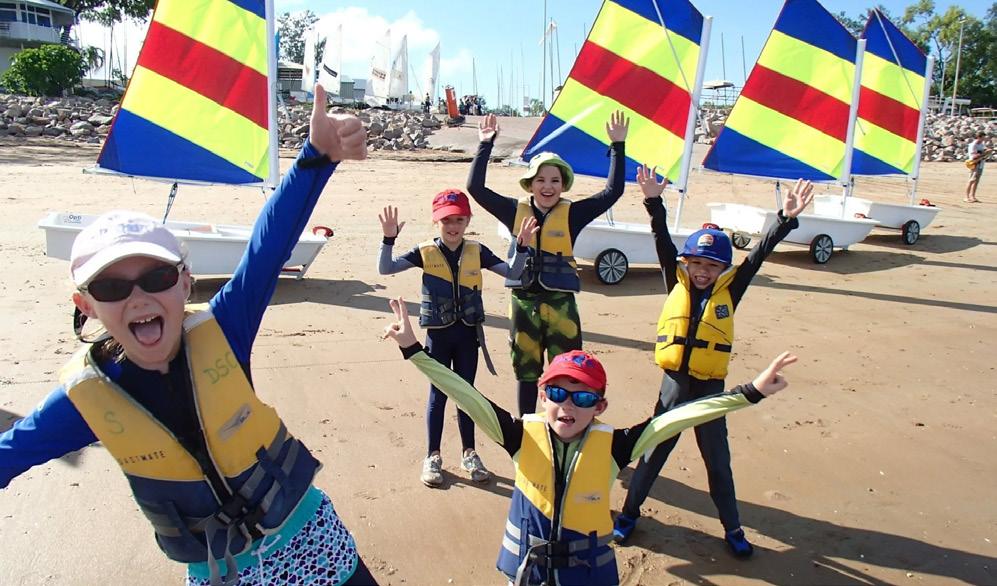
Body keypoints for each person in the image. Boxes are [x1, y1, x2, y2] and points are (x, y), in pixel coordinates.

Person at [0, 85, 377, 586]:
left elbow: (267, 246)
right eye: (112, 287)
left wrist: (316, 158)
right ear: (86, 306)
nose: (138, 298)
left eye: (156, 278)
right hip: (224, 574)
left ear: (184, 283)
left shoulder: (225, 326)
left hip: (311, 541)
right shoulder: (85, 399)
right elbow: (9, 454)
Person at [381, 296, 799, 586]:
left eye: (582, 398)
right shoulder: (519, 436)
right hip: (527, 571)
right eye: (558, 393)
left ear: (600, 406)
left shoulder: (616, 446)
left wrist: (750, 392)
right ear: (542, 397)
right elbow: (464, 392)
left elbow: (677, 417)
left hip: (586, 575)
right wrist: (413, 349)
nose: (568, 405)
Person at [612, 166, 814, 557]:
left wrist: (785, 219)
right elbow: (661, 239)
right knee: (653, 454)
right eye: (697, 264)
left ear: (723, 270)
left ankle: (733, 528)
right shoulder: (674, 279)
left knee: (718, 463)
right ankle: (629, 514)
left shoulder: (731, 290)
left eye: (711, 266)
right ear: (686, 264)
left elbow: (758, 255)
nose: (703, 272)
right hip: (674, 386)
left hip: (709, 388)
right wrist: (653, 201)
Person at [467, 111, 628, 416]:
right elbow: (475, 188)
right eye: (540, 180)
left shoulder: (574, 214)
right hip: (524, 302)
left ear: (563, 185)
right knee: (526, 371)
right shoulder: (513, 211)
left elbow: (612, 192)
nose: (548, 186)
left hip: (560, 304)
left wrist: (617, 146)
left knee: (566, 371)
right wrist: (485, 144)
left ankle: (562, 422)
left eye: (555, 180)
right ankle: (527, 425)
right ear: (530, 184)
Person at [377, 191, 537, 487]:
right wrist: (388, 239)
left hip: (467, 336)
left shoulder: (478, 251)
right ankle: (432, 456)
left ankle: (469, 454)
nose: (453, 226)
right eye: (446, 220)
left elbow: (513, 272)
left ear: (468, 221)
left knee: (467, 395)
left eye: (459, 220)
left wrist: (522, 247)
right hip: (438, 337)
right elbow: (385, 269)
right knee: (437, 395)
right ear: (436, 222)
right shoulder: (425, 251)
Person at [965, 131, 989, 203]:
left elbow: (982, 155)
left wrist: (986, 153)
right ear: (979, 137)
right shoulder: (973, 145)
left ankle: (972, 196)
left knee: (976, 181)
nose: (984, 139)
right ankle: (966, 197)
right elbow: (973, 156)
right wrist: (984, 153)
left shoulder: (981, 144)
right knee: (971, 180)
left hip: (980, 164)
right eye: (983, 137)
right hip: (974, 164)